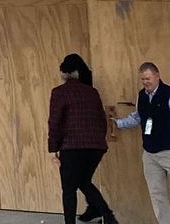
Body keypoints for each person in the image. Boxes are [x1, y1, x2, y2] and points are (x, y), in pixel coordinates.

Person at [109, 62, 170, 224]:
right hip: (150, 153)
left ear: (157, 76)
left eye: (148, 78)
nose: (145, 82)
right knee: (156, 194)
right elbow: (138, 116)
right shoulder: (141, 95)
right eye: (142, 79)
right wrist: (119, 124)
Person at [48, 53, 116, 224]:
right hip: (96, 147)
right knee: (84, 181)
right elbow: (102, 120)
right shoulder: (92, 92)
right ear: (78, 73)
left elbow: (55, 121)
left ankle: (74, 221)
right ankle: (107, 216)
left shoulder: (59, 92)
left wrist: (52, 148)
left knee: (69, 188)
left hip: (71, 147)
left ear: (63, 73)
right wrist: (99, 141)